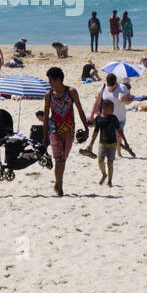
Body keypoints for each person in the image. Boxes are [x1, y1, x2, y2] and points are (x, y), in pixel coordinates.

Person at [42, 66, 90, 197]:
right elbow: (46, 117)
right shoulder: (48, 96)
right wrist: (45, 136)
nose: (49, 83)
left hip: (69, 130)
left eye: (51, 80)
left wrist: (86, 128)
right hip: (54, 130)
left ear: (58, 79)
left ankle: (58, 183)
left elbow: (80, 110)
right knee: (58, 158)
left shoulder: (71, 92)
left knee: (63, 159)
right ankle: (59, 186)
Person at [92, 99, 124, 186]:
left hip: (113, 144)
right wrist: (91, 144)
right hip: (102, 143)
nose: (113, 110)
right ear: (104, 108)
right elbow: (95, 132)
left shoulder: (113, 118)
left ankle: (109, 180)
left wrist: (125, 140)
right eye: (111, 108)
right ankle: (104, 174)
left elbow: (119, 130)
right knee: (100, 160)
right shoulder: (98, 119)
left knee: (110, 162)